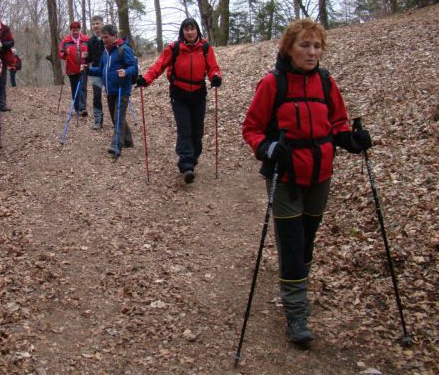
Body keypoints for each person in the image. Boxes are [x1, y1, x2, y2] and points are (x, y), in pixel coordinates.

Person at [241, 18, 372, 344]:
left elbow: (338, 121)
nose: (312, 52)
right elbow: (251, 128)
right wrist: (269, 147)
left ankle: (294, 284)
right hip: (285, 177)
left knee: (307, 239)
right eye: (305, 45)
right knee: (293, 243)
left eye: (317, 46)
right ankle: (296, 313)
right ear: (289, 47)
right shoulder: (272, 84)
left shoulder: (326, 83)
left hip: (320, 176)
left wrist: (351, 140)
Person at [136, 18, 222, 183]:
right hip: (179, 94)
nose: (190, 32)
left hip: (198, 93)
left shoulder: (205, 48)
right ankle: (186, 165)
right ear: (182, 31)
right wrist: (146, 79)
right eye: (186, 29)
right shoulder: (174, 48)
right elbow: (159, 65)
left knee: (197, 131)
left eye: (192, 29)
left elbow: (213, 68)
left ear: (197, 30)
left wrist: (216, 77)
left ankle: (192, 159)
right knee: (185, 129)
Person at [87, 24, 138, 156]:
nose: (104, 40)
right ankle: (127, 140)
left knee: (118, 116)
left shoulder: (124, 49)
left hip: (122, 89)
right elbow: (100, 70)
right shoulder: (105, 52)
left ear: (115, 36)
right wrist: (88, 70)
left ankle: (116, 145)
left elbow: (134, 67)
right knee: (116, 118)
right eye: (102, 37)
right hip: (110, 91)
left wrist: (125, 72)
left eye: (106, 37)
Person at [59, 21, 89, 116]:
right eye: (73, 30)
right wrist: (64, 54)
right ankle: (77, 108)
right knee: (75, 88)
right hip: (71, 68)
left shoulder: (85, 39)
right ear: (70, 31)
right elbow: (60, 53)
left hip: (83, 68)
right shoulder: (66, 41)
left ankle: (82, 108)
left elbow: (90, 51)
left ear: (79, 30)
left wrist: (88, 56)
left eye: (77, 30)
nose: (75, 32)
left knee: (83, 87)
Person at [88, 15, 106, 129]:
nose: (95, 26)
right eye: (93, 24)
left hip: (109, 70)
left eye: (97, 23)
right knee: (97, 95)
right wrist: (85, 57)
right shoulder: (91, 41)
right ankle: (98, 119)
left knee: (111, 95)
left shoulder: (107, 38)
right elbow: (89, 58)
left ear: (102, 24)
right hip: (96, 71)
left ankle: (116, 118)